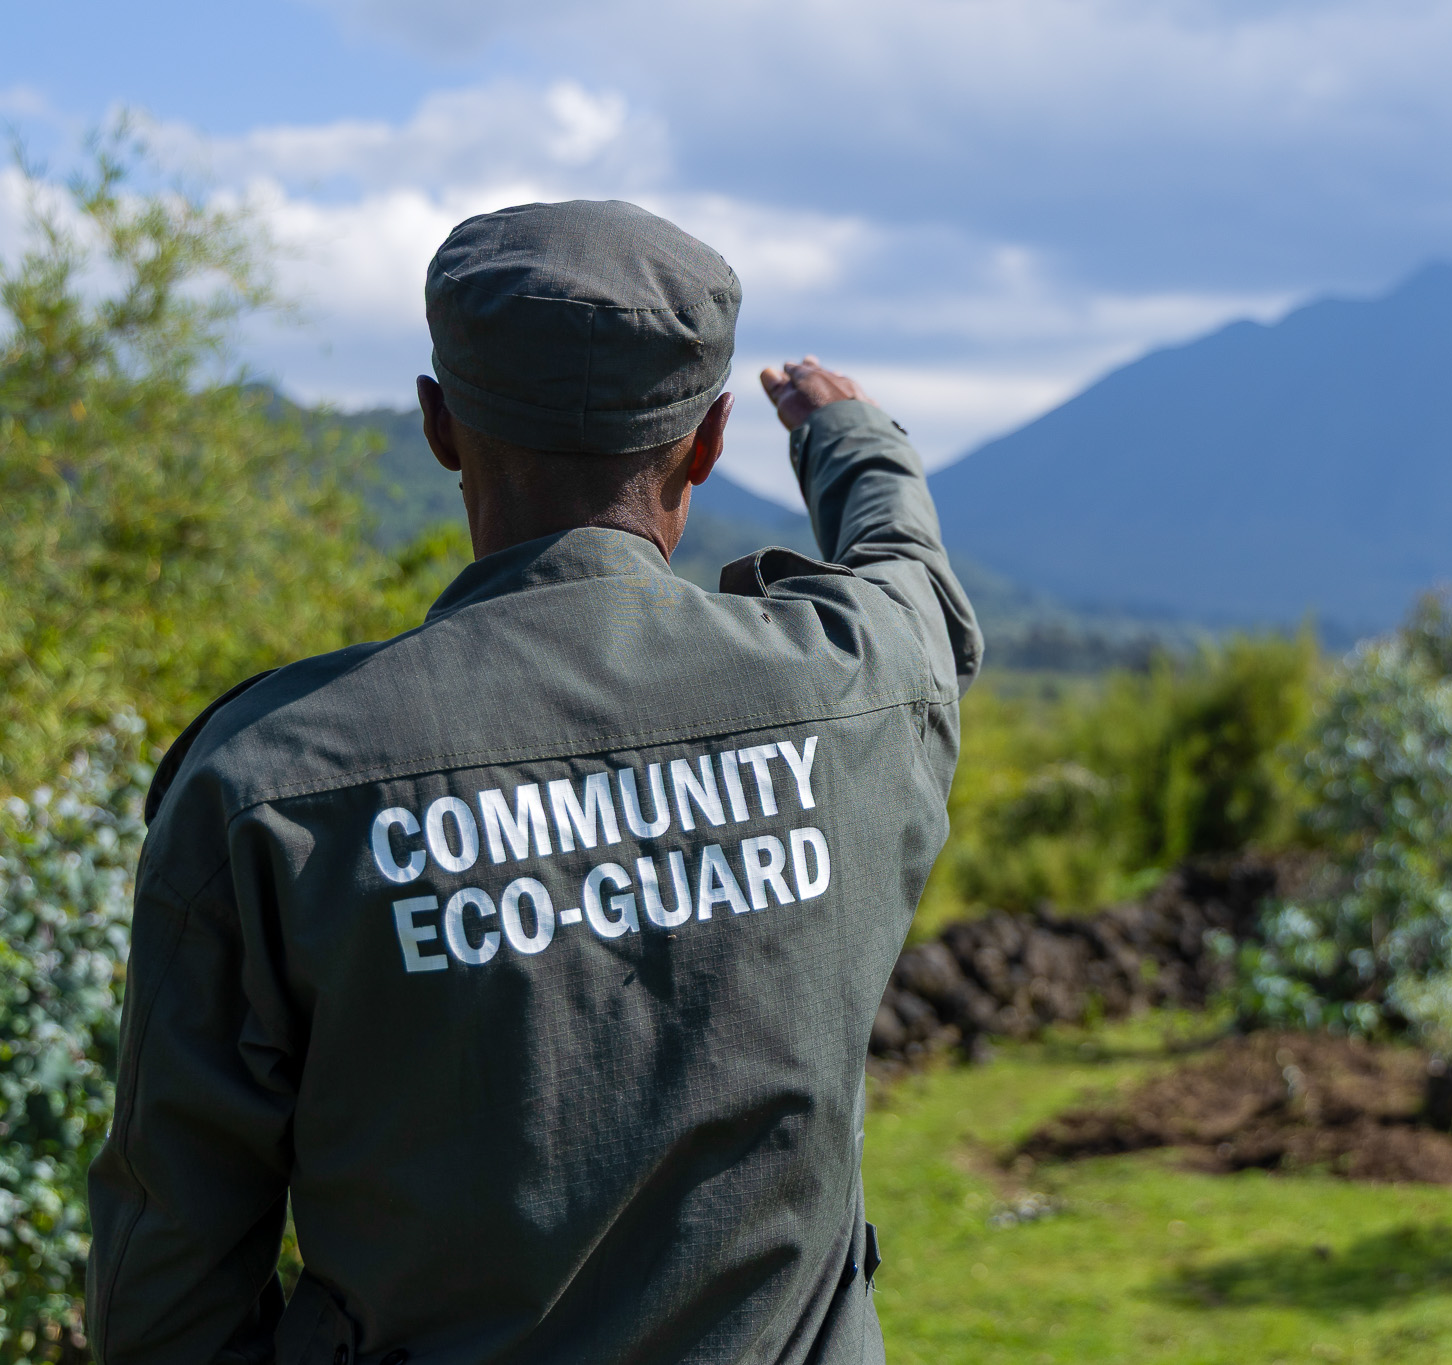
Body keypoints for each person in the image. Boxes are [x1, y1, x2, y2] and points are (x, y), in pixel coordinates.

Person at [86, 199, 980, 1364]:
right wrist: (849, 436)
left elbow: (171, 1283)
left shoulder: (271, 780)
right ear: (708, 441)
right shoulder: (855, 698)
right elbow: (913, 588)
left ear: (440, 424)